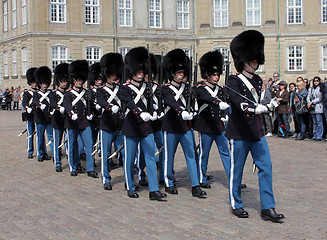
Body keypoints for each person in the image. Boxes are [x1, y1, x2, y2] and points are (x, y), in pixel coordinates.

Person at [226, 30, 284, 222]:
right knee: (237, 170)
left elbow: (260, 103)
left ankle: (268, 207)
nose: (255, 62)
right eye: (252, 59)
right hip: (240, 132)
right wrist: (255, 109)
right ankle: (236, 204)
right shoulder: (233, 80)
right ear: (243, 60)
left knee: (266, 167)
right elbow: (238, 103)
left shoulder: (258, 80)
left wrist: (269, 106)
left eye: (256, 59)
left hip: (257, 132)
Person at [120, 47, 166, 201]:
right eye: (138, 70)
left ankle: (153, 190)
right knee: (130, 158)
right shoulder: (125, 88)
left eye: (142, 69)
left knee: (150, 158)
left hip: (147, 128)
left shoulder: (149, 88)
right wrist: (140, 112)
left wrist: (157, 110)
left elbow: (154, 102)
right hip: (132, 127)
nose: (141, 72)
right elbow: (130, 104)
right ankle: (130, 186)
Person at [161, 48, 206, 198]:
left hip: (186, 128)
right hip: (172, 126)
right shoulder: (166, 89)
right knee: (169, 156)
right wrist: (182, 110)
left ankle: (195, 185)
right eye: (179, 72)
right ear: (173, 73)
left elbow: (192, 103)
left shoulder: (187, 88)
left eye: (183, 73)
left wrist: (192, 111)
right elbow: (171, 102)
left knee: (191, 155)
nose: (182, 75)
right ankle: (169, 182)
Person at [193, 50, 230, 189]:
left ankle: (232, 177)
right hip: (206, 127)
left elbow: (225, 102)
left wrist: (225, 114)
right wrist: (218, 103)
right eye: (214, 74)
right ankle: (202, 178)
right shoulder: (201, 89)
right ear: (207, 75)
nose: (216, 77)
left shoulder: (220, 90)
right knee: (204, 154)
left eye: (217, 74)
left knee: (225, 153)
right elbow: (205, 98)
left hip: (219, 127)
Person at [63, 60, 98, 178]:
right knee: (72, 146)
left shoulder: (87, 93)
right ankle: (73, 167)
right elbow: (67, 105)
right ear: (73, 80)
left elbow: (91, 105)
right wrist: (71, 113)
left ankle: (90, 168)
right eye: (78, 80)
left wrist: (91, 113)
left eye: (82, 80)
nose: (80, 82)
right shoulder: (68, 94)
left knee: (89, 145)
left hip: (85, 122)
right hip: (72, 123)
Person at [96, 52, 124, 190]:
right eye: (112, 75)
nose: (114, 77)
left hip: (119, 127)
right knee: (106, 154)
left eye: (115, 74)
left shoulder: (121, 89)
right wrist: (110, 106)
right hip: (107, 126)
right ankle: (106, 178)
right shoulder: (101, 90)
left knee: (124, 153)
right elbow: (101, 101)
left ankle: (128, 179)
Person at [49, 63, 69, 172]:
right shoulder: (54, 93)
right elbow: (52, 103)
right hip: (57, 120)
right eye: (63, 81)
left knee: (69, 143)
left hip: (68, 120)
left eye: (66, 81)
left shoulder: (69, 93)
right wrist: (58, 107)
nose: (65, 83)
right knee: (57, 143)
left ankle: (71, 161)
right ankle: (57, 162)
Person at [32, 66, 54, 162]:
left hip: (48, 118)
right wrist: (40, 105)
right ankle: (40, 154)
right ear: (40, 84)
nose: (45, 85)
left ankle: (54, 153)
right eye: (43, 83)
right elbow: (34, 102)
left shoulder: (51, 93)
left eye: (46, 83)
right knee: (40, 137)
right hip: (40, 118)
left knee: (51, 137)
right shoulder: (36, 93)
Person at [21, 68, 38, 159]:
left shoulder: (39, 93)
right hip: (30, 116)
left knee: (39, 135)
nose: (34, 84)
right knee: (30, 134)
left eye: (35, 82)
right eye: (33, 82)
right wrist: (27, 108)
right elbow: (24, 103)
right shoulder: (27, 93)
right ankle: (30, 150)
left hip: (38, 115)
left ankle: (41, 151)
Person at [307, 76, 324, 141]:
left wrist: (312, 102)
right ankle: (316, 134)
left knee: (319, 122)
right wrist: (309, 102)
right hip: (312, 107)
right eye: (314, 81)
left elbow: (320, 98)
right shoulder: (311, 88)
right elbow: (308, 96)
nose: (315, 82)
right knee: (315, 122)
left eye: (317, 81)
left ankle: (319, 135)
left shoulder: (320, 88)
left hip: (318, 106)